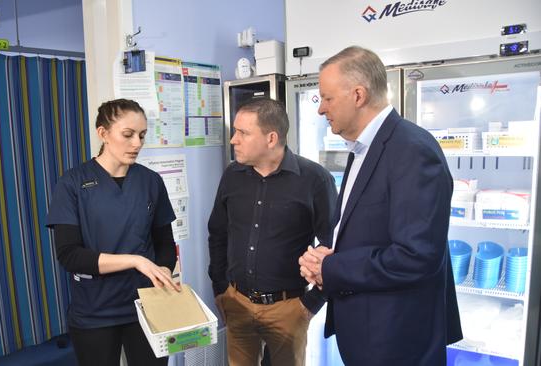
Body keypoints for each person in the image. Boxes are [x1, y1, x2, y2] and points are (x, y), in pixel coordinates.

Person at [298, 46, 462, 365]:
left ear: (358, 95)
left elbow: (416, 257)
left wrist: (331, 268)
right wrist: (326, 257)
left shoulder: (412, 151)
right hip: (367, 333)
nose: (321, 109)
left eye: (327, 98)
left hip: (397, 340)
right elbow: (365, 231)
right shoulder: (362, 148)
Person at [46, 98, 181, 366]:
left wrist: (164, 269)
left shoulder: (150, 181)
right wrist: (135, 260)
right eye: (128, 135)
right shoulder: (72, 183)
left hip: (147, 306)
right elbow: (70, 255)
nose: (137, 144)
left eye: (142, 135)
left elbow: (165, 243)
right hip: (95, 312)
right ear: (103, 133)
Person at [208, 97, 337, 366]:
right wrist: (221, 289)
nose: (234, 140)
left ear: (271, 138)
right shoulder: (232, 175)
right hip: (237, 302)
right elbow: (218, 233)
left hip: (289, 308)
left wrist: (311, 304)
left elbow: (334, 247)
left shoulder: (314, 179)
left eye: (243, 132)